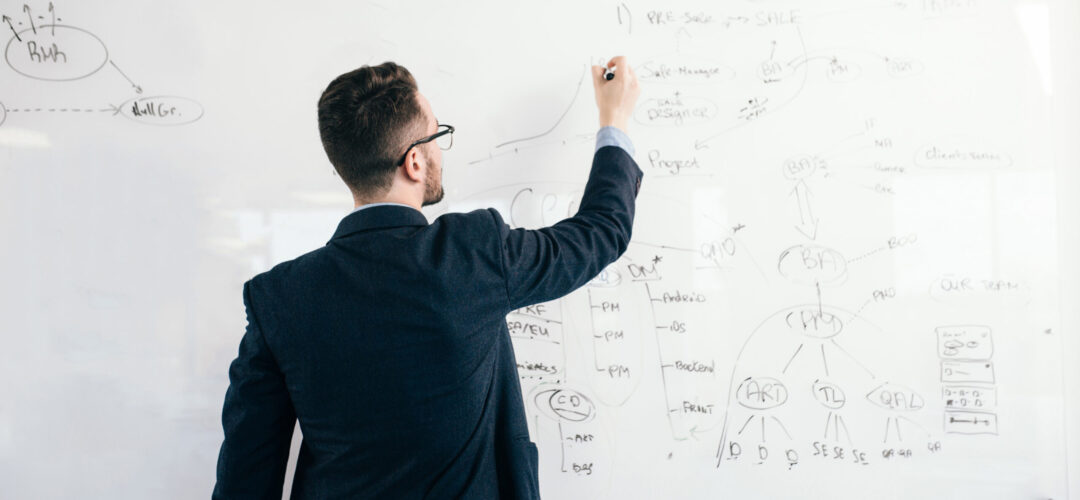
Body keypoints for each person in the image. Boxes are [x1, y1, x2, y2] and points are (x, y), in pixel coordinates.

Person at [213, 56, 642, 499]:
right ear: (414, 162)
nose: (440, 147)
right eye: (439, 134)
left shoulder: (279, 298)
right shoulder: (473, 253)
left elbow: (245, 478)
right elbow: (601, 230)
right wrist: (615, 118)